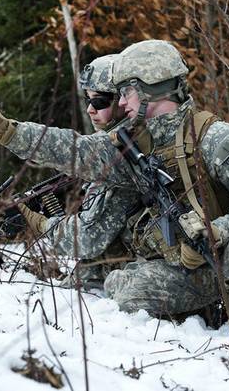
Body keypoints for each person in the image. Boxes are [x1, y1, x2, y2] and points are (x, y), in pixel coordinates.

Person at [0, 40, 229, 342]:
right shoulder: (136, 143)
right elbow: (73, 150)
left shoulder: (219, 139)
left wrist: (219, 230)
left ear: (151, 87)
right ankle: (207, 308)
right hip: (190, 264)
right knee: (125, 291)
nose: (121, 102)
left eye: (126, 91)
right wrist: (7, 132)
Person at [16, 54, 138, 288]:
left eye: (100, 102)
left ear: (123, 101)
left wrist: (42, 225)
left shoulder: (127, 151)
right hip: (106, 265)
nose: (91, 109)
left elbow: (88, 239)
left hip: (130, 274)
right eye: (88, 100)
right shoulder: (118, 141)